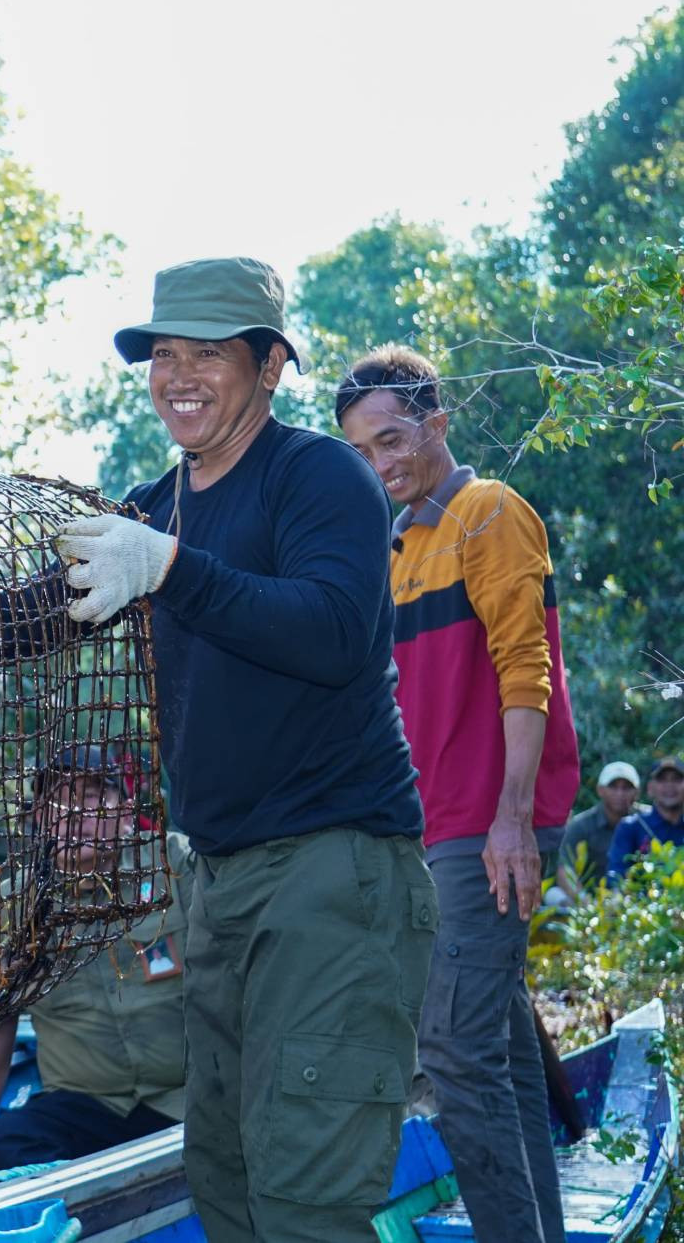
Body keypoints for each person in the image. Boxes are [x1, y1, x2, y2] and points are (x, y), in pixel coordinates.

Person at [0, 258, 434, 1240]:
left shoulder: (317, 475)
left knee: (305, 1191)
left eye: (205, 354)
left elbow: (333, 630)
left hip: (332, 866)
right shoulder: (151, 508)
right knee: (223, 1175)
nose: (177, 374)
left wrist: (172, 571)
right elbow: (23, 618)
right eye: (160, 354)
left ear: (265, 366)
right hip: (217, 879)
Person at [338, 345, 578, 1243]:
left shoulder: (487, 513)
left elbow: (528, 670)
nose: (383, 463)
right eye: (363, 451)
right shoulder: (396, 547)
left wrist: (513, 821)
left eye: (394, 438)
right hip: (434, 827)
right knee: (503, 1055)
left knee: (453, 1051)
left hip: (494, 821)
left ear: (436, 425)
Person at [0, 749, 192, 1191]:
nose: (76, 814)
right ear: (39, 820)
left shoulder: (177, 866)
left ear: (128, 811)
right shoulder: (14, 905)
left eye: (96, 795)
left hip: (188, 1095)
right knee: (5, 1144)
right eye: (59, 802)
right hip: (86, 1105)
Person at [559, 762, 642, 894]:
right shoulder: (580, 825)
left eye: (626, 788)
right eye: (613, 787)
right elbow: (564, 869)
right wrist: (585, 903)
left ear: (637, 792)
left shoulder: (648, 821)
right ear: (600, 790)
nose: (620, 793)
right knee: (554, 896)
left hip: (639, 900)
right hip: (588, 899)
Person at [606, 755, 684, 882]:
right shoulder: (631, 827)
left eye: (676, 779)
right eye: (662, 780)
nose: (669, 785)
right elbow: (616, 877)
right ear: (650, 788)